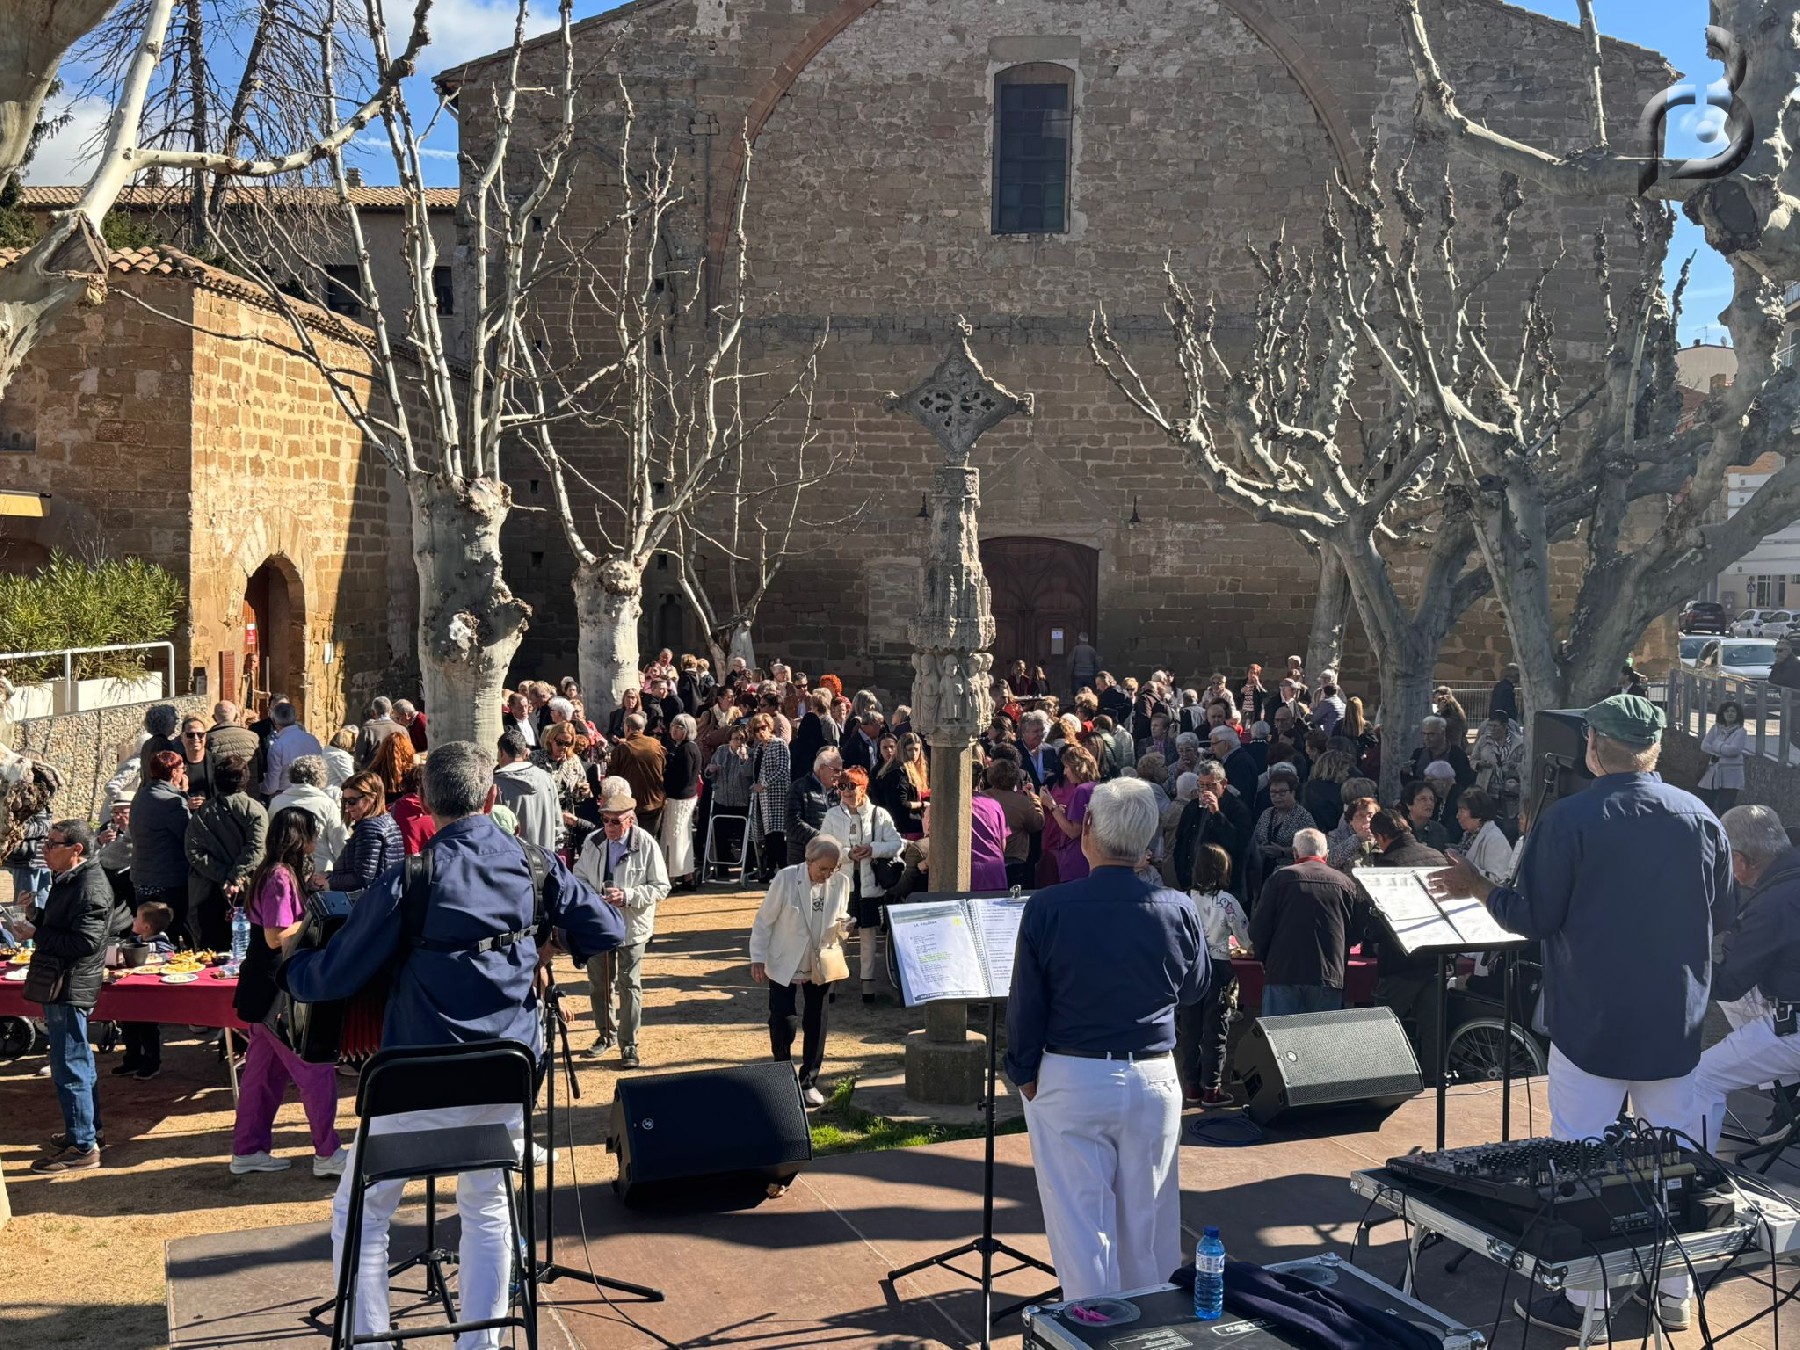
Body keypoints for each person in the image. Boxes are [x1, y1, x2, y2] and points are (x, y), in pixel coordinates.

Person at [282, 744, 627, 1350]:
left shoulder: (412, 877)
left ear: (424, 801)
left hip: (416, 1077)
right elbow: (607, 928)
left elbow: (334, 976)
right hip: (505, 1074)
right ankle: (482, 1343)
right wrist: (544, 946)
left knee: (362, 1211)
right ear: (491, 797)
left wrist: (290, 967)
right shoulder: (534, 863)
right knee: (488, 1207)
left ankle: (370, 1340)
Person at [1431, 694, 1730, 1338]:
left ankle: (1587, 1302)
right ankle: (1674, 1292)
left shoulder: (1569, 819)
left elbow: (1532, 918)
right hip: (1673, 1024)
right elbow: (1722, 914)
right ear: (1654, 749)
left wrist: (1479, 887)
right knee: (1674, 1160)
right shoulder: (1702, 816)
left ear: (1593, 747)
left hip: (1592, 1022)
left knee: (1583, 1160)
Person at [1006, 778, 1207, 1299]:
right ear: (1147, 840)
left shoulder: (1050, 906)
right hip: (1152, 1072)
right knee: (1151, 1224)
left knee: (1081, 1227)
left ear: (1089, 827)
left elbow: (1026, 1001)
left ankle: (1093, 1324)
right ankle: (1151, 1326)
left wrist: (1023, 1071)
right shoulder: (1178, 907)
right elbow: (1195, 988)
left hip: (1073, 1073)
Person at [228, 808, 345, 1176]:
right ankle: (327, 1152)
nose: (316, 839)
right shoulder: (279, 876)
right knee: (314, 1067)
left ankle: (248, 1149)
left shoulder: (274, 872)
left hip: (263, 987)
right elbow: (275, 936)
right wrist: (314, 919)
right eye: (312, 832)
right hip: (277, 989)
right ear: (300, 837)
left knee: (261, 1076)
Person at [1688, 805, 1800, 1152]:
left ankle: (1697, 1169)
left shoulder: (1771, 907)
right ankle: (1788, 1096)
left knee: (1700, 1078)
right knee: (1737, 1002)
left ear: (1739, 860)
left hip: (1796, 1028)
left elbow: (1728, 983)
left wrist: (1677, 960)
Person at [20, 820, 113, 1173]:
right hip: (64, 981)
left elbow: (85, 942)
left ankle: (83, 1147)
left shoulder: (90, 886)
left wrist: (36, 932)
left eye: (52, 844)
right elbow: (66, 925)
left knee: (69, 1064)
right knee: (77, 1062)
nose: (45, 850)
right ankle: (87, 1132)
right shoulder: (72, 879)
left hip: (70, 984)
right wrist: (36, 916)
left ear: (77, 849)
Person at [750, 835, 853, 1108]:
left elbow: (840, 917)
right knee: (784, 1021)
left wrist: (845, 926)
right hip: (784, 959)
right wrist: (757, 958)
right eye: (823, 868)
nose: (828, 874)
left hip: (820, 961)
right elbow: (764, 920)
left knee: (817, 1020)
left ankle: (809, 1080)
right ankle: (783, 1075)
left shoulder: (841, 882)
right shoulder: (785, 879)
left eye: (833, 868)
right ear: (809, 861)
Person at [573, 789, 669, 1068]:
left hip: (632, 926)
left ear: (630, 820)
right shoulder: (593, 841)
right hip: (599, 925)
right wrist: (594, 898)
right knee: (599, 984)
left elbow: (661, 887)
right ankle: (605, 1035)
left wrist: (628, 896)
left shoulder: (646, 843)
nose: (609, 827)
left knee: (630, 985)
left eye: (615, 821)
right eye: (605, 820)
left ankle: (629, 1044)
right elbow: (579, 878)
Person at [1249, 827, 1361, 1016]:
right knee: (1321, 1035)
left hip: (1283, 972)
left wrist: (1263, 957)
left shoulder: (1279, 879)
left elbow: (1258, 929)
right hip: (1328, 975)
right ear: (1326, 855)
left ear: (1294, 853)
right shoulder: (1345, 884)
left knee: (1278, 1034)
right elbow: (1355, 934)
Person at [821, 767, 903, 1003]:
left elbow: (896, 843)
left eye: (851, 786)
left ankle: (868, 983)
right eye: (842, 786)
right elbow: (824, 845)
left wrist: (872, 849)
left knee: (868, 936)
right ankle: (832, 981)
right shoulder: (832, 815)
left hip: (870, 884)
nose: (846, 791)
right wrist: (847, 854)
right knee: (838, 934)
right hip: (842, 885)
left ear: (863, 787)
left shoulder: (879, 814)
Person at [1177, 843, 1248, 1108]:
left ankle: (1191, 1086)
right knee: (1215, 1029)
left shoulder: (1184, 899)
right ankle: (1212, 1088)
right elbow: (1246, 938)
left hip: (1190, 968)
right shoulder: (1227, 901)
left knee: (1190, 1029)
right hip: (1218, 966)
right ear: (1223, 869)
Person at [184, 754, 268, 951]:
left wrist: (223, 875)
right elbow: (257, 849)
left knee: (211, 952)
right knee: (247, 950)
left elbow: (193, 851)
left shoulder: (203, 812)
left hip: (208, 891)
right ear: (245, 779)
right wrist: (234, 877)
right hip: (247, 891)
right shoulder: (255, 810)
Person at [129, 751, 192, 942]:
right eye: (182, 769)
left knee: (147, 932)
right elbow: (188, 835)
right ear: (174, 772)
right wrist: (183, 795)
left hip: (141, 876)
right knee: (167, 935)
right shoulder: (171, 802)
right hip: (167, 879)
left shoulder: (140, 796)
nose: (184, 773)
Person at [113, 898, 176, 1080]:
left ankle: (152, 1062)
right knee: (128, 1027)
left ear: (147, 927)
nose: (133, 920)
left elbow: (168, 954)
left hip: (149, 993)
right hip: (131, 991)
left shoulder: (160, 942)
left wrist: (145, 953)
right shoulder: (136, 939)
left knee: (147, 1029)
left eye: (137, 918)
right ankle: (132, 1059)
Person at [315, 771, 404, 894]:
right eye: (344, 801)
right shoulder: (388, 821)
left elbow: (362, 878)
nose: (347, 807)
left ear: (372, 798)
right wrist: (330, 876)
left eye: (352, 801)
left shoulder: (369, 828)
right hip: (386, 895)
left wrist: (329, 881)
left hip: (372, 899)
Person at [1165, 761, 1247, 890]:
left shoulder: (1237, 809)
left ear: (1223, 784)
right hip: (1190, 881)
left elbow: (1238, 845)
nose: (1205, 790)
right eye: (1201, 785)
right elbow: (1180, 842)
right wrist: (1181, 873)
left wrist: (1216, 813)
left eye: (1210, 785)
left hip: (1221, 885)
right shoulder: (1192, 807)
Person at [269, 755, 349, 876]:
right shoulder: (327, 804)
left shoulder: (277, 801)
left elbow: (271, 837)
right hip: (319, 870)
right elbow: (339, 841)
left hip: (284, 869)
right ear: (320, 777)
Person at [979, 756, 1044, 891]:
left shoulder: (982, 798)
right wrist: (1035, 799)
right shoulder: (1022, 802)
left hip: (986, 860)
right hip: (1014, 860)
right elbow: (1037, 823)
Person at [1038, 744, 1098, 883]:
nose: (1065, 773)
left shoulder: (1082, 790)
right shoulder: (1095, 787)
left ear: (1077, 767)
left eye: (1066, 767)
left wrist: (1051, 805)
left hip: (1076, 859)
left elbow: (1073, 831)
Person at [493, 729, 560, 852]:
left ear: (501, 752)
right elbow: (558, 826)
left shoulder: (497, 784)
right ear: (525, 753)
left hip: (514, 860)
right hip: (545, 858)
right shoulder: (546, 779)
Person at [747, 714, 792, 881]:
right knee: (768, 836)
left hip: (778, 796)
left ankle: (784, 870)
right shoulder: (759, 748)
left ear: (770, 727)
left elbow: (783, 769)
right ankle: (771, 869)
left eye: (763, 728)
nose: (760, 732)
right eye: (756, 730)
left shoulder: (779, 744)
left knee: (777, 835)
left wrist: (763, 784)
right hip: (763, 798)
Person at [661, 714, 703, 889]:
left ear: (688, 730)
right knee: (681, 837)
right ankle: (686, 876)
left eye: (679, 727)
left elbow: (681, 778)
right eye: (673, 726)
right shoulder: (685, 748)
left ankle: (676, 876)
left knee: (676, 838)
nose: (674, 730)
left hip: (679, 798)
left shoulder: (686, 750)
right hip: (684, 797)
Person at [787, 747, 842, 867]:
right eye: (836, 770)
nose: (839, 775)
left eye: (840, 771)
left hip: (831, 859)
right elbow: (792, 823)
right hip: (803, 858)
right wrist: (822, 838)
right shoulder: (799, 788)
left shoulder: (839, 792)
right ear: (822, 768)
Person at [260, 700, 323, 799]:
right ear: (295, 718)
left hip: (285, 797)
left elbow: (271, 786)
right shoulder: (312, 740)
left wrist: (259, 788)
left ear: (275, 721)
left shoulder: (278, 746)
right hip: (313, 795)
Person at [872, 731, 927, 838]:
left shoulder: (901, 769)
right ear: (902, 750)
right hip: (904, 829)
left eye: (916, 749)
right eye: (910, 749)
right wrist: (922, 804)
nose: (914, 753)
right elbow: (900, 804)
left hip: (905, 826)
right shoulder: (899, 772)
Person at [1699, 702, 1748, 814]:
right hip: (1712, 774)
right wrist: (1723, 749)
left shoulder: (1741, 732)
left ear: (1738, 714)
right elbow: (1704, 745)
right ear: (1722, 713)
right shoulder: (1715, 729)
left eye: (1733, 711)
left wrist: (1716, 745)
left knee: (1725, 807)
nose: (1730, 714)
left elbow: (1734, 750)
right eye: (1727, 711)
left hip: (1731, 777)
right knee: (1705, 803)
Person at [1455, 788, 1513, 883]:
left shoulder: (1495, 840)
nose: (1457, 816)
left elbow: (1499, 879)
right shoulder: (1468, 835)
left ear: (1477, 813)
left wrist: (1467, 869)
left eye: (1462, 811)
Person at [1407, 716, 1474, 789]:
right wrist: (1405, 773)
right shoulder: (1418, 753)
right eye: (1424, 734)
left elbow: (1466, 781)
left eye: (1431, 734)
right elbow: (1410, 783)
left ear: (1442, 733)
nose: (1426, 738)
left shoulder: (1457, 754)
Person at [1402, 779, 1451, 850]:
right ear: (1409, 804)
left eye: (1432, 799)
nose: (1429, 803)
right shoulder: (1399, 829)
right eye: (1423, 799)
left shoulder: (1440, 831)